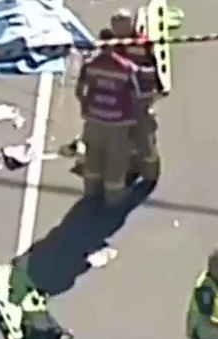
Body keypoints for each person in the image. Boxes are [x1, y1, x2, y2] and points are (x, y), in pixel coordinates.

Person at [76, 29, 140, 208]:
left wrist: (86, 108)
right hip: (117, 123)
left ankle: (91, 191)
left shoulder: (90, 65)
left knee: (93, 156)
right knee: (116, 160)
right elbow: (135, 95)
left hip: (94, 119)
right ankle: (113, 198)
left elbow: (80, 91)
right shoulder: (126, 68)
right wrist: (133, 118)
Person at [110, 9, 161, 183]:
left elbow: (151, 72)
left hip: (139, 99)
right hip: (122, 100)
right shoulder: (114, 44)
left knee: (144, 137)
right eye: (115, 26)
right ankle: (133, 167)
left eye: (121, 25)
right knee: (126, 138)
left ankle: (151, 172)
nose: (117, 29)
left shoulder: (141, 44)